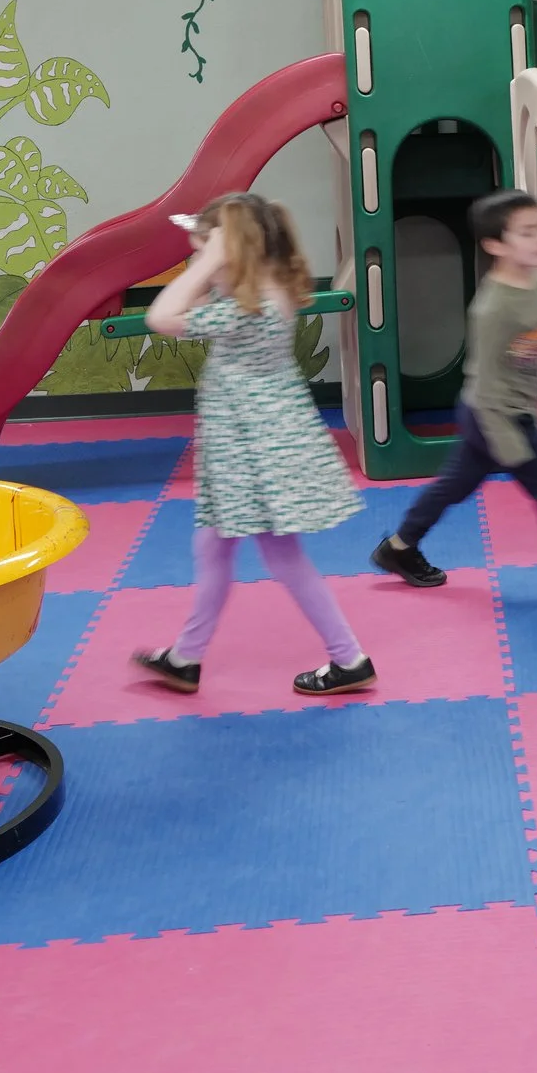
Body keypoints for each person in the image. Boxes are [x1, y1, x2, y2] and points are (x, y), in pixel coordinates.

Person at [131, 194, 373, 697]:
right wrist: (215, 261)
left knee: (280, 555)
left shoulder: (250, 307)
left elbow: (161, 317)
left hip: (252, 451)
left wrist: (211, 260)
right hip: (244, 446)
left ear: (231, 255)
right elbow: (197, 304)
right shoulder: (262, 290)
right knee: (214, 547)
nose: (198, 266)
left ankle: (349, 657)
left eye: (202, 255)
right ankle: (186, 657)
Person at [370, 189, 537, 603]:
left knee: (452, 487)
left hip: (498, 417)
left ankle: (398, 548)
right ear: (495, 245)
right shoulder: (492, 309)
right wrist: (507, 443)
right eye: (527, 232)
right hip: (494, 417)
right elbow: (486, 384)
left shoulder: (531, 287)